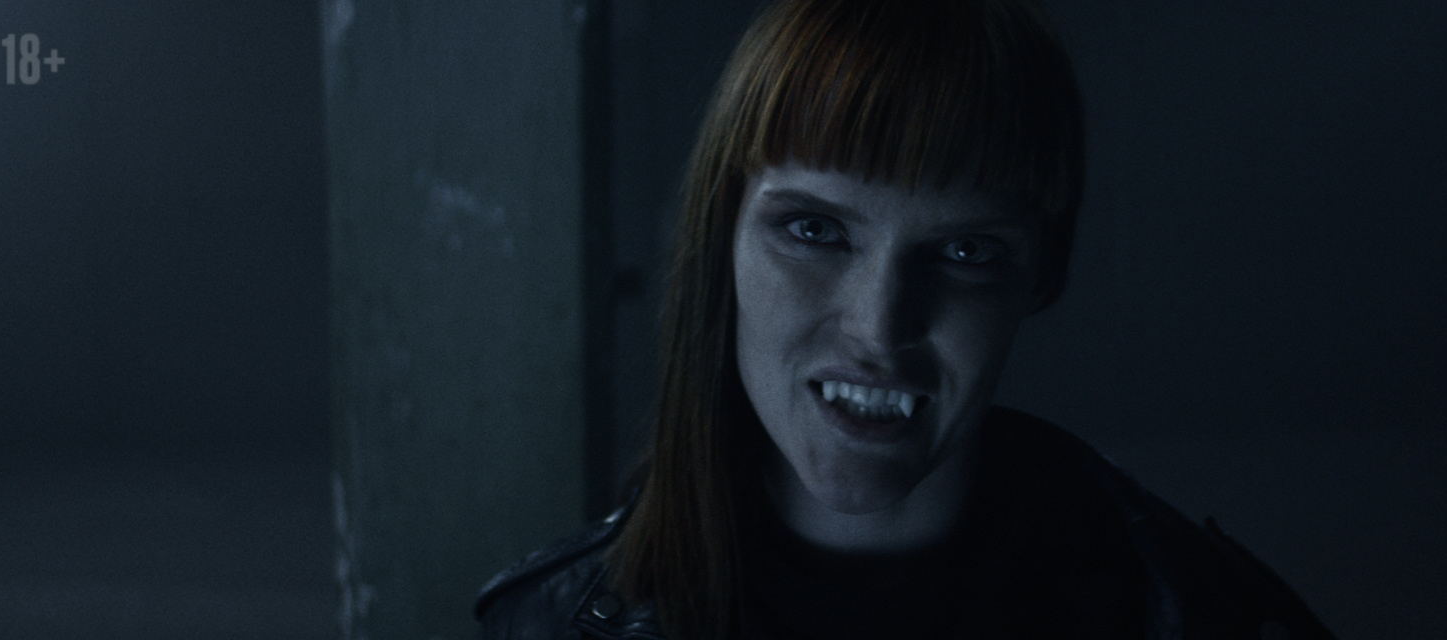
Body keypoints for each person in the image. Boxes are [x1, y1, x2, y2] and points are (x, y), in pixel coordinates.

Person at [475, 0, 1335, 638]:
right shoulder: (545, 626)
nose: (881, 329)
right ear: (721, 239)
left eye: (965, 251)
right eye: (815, 231)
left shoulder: (1205, 615)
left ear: (1041, 272)